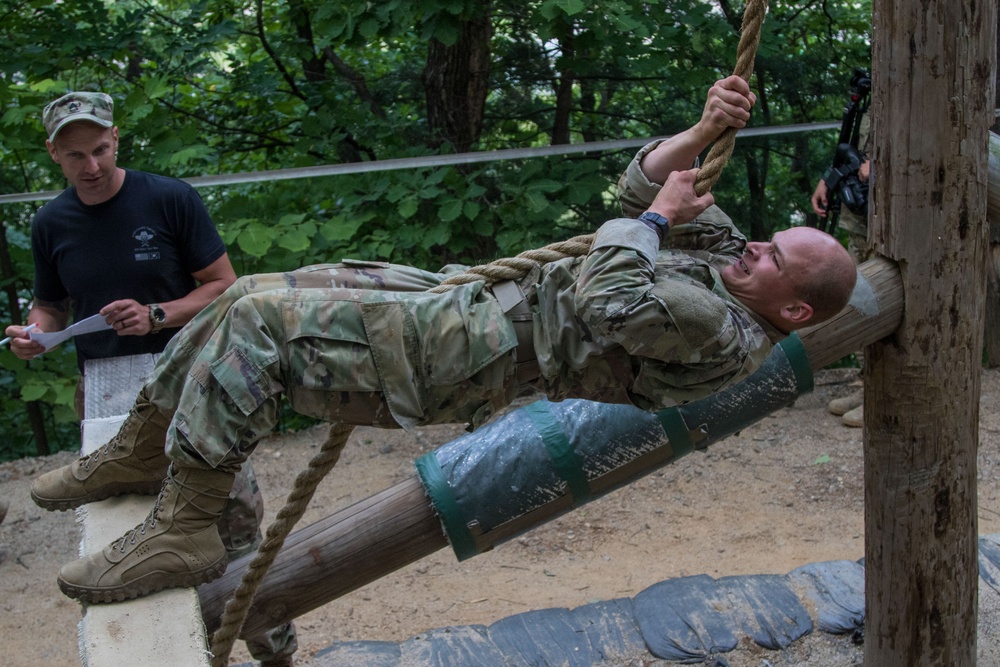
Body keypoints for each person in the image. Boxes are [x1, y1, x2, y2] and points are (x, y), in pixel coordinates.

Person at [29, 76, 857, 607]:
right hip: (470, 299)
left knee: (255, 328)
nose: (754, 246)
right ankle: (145, 447)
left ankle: (190, 520)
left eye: (774, 257)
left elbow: (611, 291)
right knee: (245, 292)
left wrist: (654, 221)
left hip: (473, 350)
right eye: (765, 238)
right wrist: (704, 127)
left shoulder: (720, 328)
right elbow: (643, 180)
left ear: (793, 312)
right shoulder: (730, 260)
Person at [4, 92, 298, 666]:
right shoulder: (51, 222)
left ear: (116, 138)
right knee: (134, 531)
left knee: (235, 530)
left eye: (101, 150)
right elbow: (50, 305)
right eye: (75, 156)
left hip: (198, 381)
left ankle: (275, 653)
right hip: (110, 395)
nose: (91, 166)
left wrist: (157, 314)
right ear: (53, 155)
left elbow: (225, 287)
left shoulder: (168, 199)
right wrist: (35, 334)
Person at [810, 70, 873, 428]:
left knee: (887, 300)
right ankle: (869, 382)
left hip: (900, 225)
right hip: (861, 220)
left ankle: (884, 394)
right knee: (861, 297)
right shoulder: (874, 89)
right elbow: (853, 143)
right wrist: (829, 178)